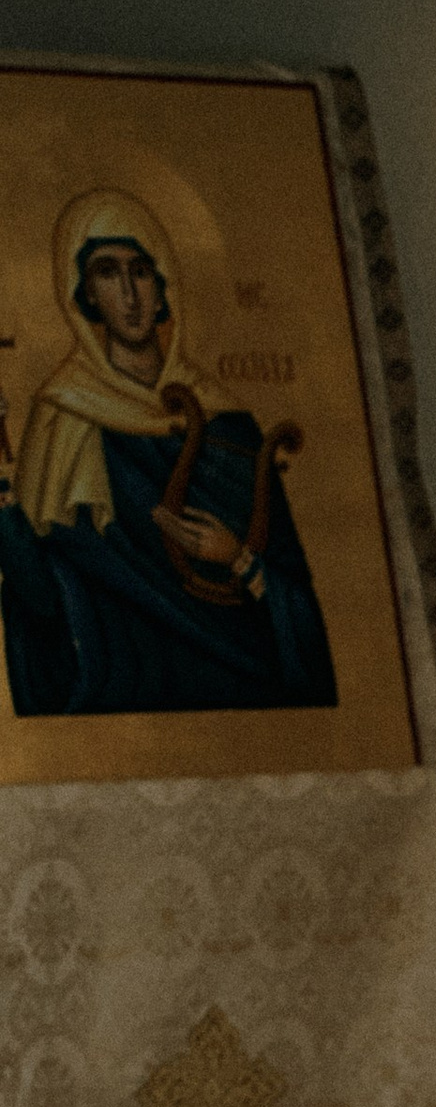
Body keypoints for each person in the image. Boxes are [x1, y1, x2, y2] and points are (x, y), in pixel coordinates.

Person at [0, 191, 336, 718]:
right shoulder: (63, 419)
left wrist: (238, 559)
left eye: (141, 271)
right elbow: (42, 599)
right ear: (84, 296)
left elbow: (297, 600)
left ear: (164, 288)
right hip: (121, 688)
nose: (129, 294)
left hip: (244, 685)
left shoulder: (228, 424)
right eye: (107, 273)